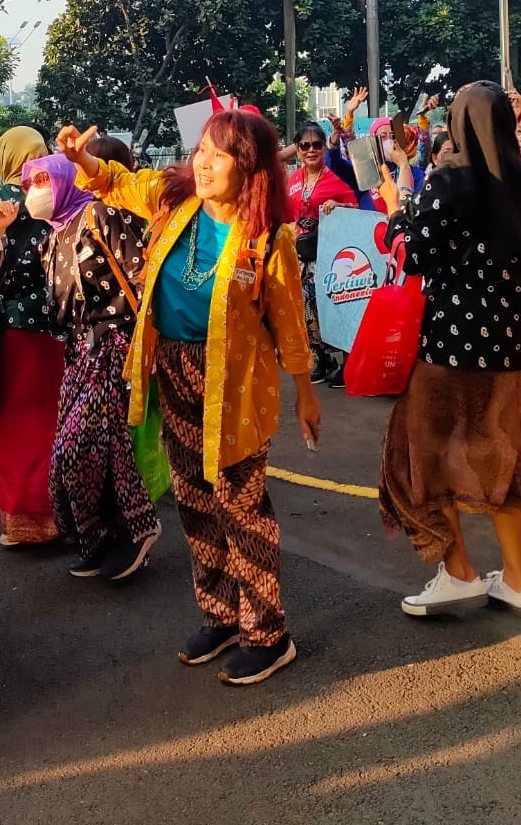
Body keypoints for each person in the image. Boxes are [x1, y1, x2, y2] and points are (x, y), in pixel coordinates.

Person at [59, 110, 321, 686]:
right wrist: (81, 160)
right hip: (172, 371)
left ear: (247, 167)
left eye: (220, 155)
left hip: (236, 386)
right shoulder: (173, 205)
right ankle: (222, 614)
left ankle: (268, 632)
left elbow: (289, 325)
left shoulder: (267, 239)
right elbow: (114, 180)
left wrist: (305, 393)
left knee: (240, 503)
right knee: (193, 499)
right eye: (201, 150)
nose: (203, 163)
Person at [378, 83, 521, 618]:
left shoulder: (447, 183)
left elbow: (411, 256)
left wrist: (395, 211)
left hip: (449, 348)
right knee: (502, 458)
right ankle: (517, 581)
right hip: (513, 348)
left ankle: (458, 572)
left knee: (427, 459)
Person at [0, 152, 161, 580]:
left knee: (79, 447)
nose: (35, 191)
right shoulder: (52, 234)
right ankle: (100, 538)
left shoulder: (98, 215)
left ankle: (137, 528)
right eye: (30, 183)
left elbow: (142, 274)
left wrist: (148, 347)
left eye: (44, 181)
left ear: (65, 181)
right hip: (77, 351)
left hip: (114, 344)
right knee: (76, 456)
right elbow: (9, 287)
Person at [0, 126, 66, 545]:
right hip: (53, 325)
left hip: (7, 326)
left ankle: (20, 519)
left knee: (6, 423)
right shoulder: (55, 194)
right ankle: (55, 517)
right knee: (47, 421)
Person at [286, 122, 358, 386]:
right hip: (302, 259)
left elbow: (355, 209)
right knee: (307, 310)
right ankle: (321, 357)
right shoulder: (293, 181)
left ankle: (346, 363)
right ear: (297, 149)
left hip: (329, 257)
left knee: (333, 308)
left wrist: (338, 206)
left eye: (317, 144)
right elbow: (287, 214)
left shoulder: (335, 179)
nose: (311, 150)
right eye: (305, 145)